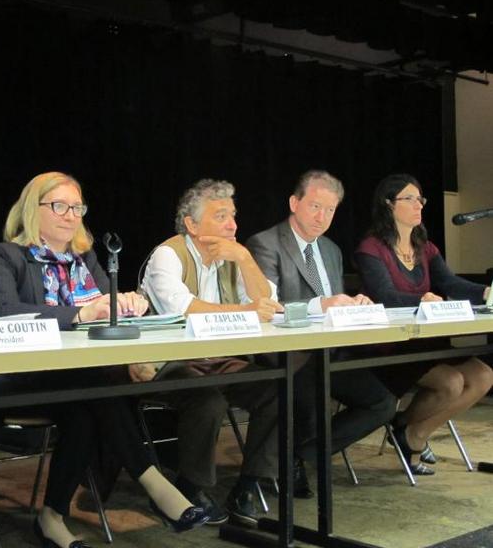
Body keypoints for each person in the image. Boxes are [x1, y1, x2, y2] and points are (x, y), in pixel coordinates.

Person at [0, 171, 208, 548]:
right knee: (98, 388)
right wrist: (80, 314)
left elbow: (108, 304)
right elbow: (2, 311)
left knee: (85, 411)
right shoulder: (6, 255)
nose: (71, 215)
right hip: (21, 376)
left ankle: (52, 518)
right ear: (31, 209)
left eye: (77, 207)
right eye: (59, 206)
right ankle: (154, 483)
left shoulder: (84, 258)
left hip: (80, 382)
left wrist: (129, 304)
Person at [138, 178, 282, 526]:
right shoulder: (168, 254)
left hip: (218, 361)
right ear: (191, 224)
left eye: (233, 216)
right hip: (166, 363)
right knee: (208, 401)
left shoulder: (233, 255)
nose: (232, 225)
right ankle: (189, 488)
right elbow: (184, 308)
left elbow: (270, 304)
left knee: (277, 390)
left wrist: (246, 259)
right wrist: (247, 312)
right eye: (221, 216)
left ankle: (248, 485)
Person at [246, 169, 396, 495]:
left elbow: (335, 306)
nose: (322, 217)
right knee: (307, 395)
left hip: (330, 351)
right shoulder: (265, 244)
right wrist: (322, 304)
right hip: (287, 354)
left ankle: (298, 456)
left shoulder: (330, 250)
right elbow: (267, 308)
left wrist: (353, 304)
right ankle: (281, 465)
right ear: (293, 202)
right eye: (315, 206)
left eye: (330, 210)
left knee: (383, 404)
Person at [354, 173, 493, 474]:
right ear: (389, 204)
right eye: (410, 199)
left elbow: (450, 283)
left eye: (421, 199)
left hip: (428, 341)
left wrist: (486, 292)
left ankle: (408, 428)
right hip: (390, 347)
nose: (419, 205)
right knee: (452, 382)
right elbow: (384, 296)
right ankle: (414, 436)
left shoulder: (425, 248)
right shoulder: (371, 248)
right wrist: (423, 302)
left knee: (483, 375)